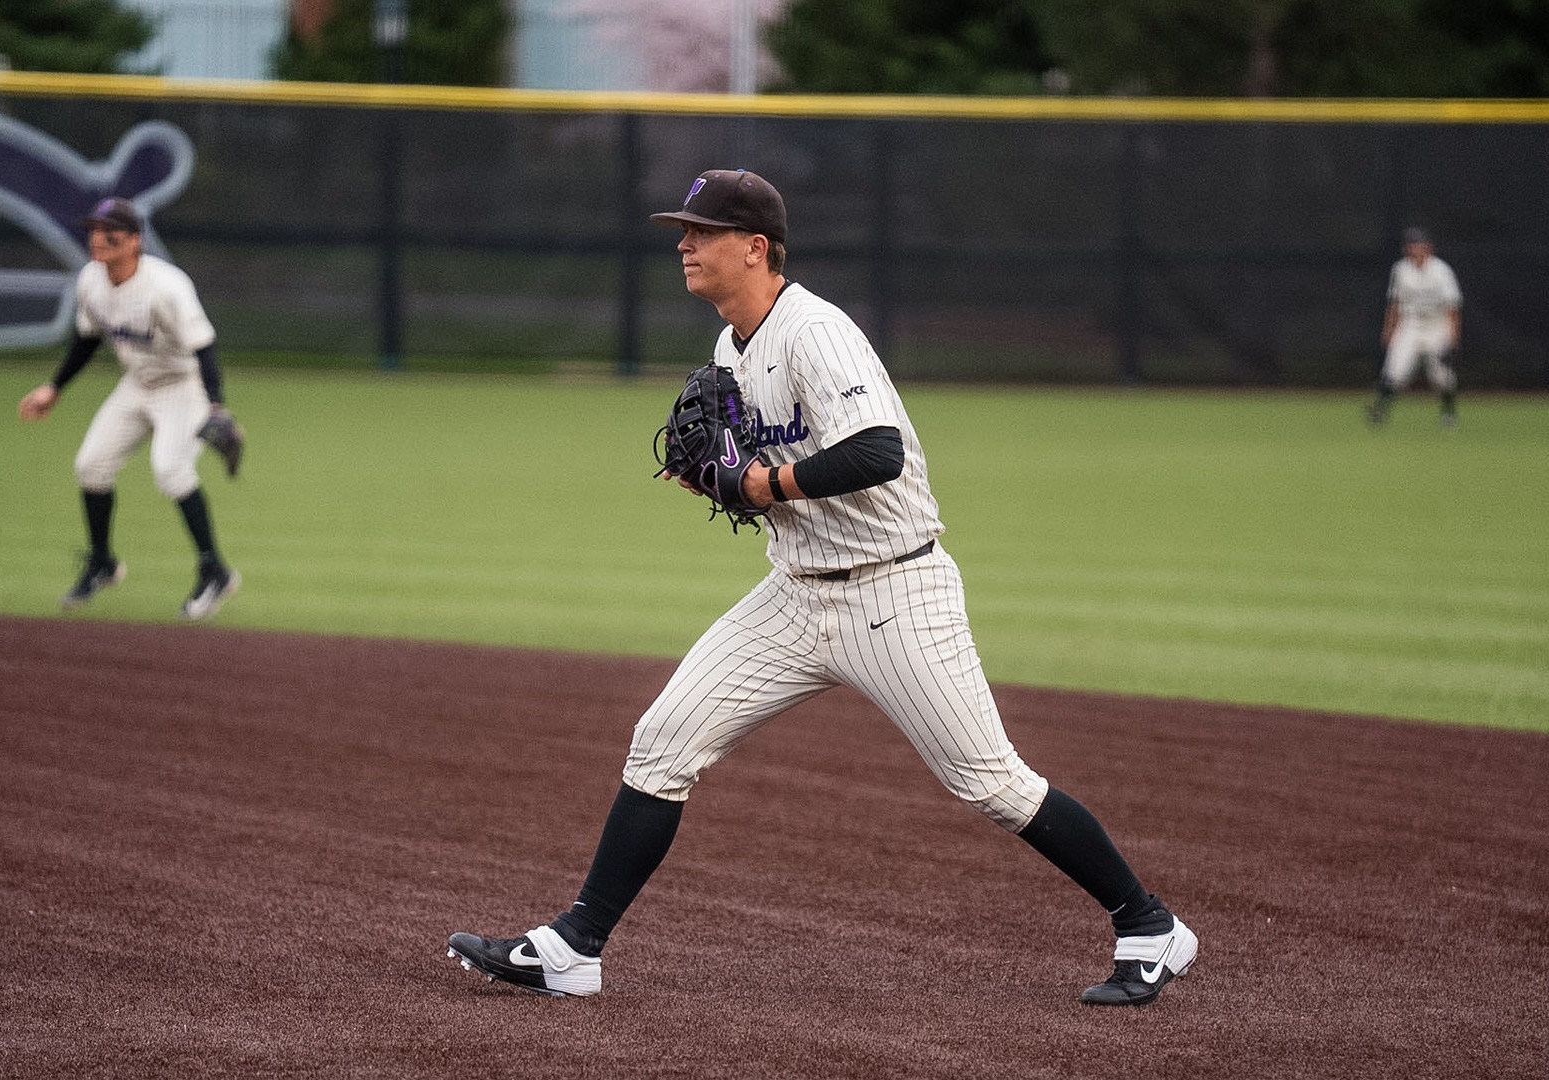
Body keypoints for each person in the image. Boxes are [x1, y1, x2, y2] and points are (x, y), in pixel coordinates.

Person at [446, 168, 1196, 1007]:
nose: (684, 245)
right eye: (682, 231)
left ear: (755, 248)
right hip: (794, 595)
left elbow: (878, 451)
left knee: (991, 783)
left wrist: (762, 485)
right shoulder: (730, 346)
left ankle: (1149, 924)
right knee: (662, 742)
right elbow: (752, 468)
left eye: (702, 232)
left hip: (895, 593)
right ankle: (574, 948)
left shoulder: (816, 331)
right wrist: (716, 481)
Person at [17, 196, 240, 621]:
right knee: (90, 466)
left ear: (134, 241)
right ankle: (102, 562)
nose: (98, 239)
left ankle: (215, 571)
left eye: (110, 232)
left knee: (170, 472)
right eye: (95, 231)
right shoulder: (91, 280)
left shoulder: (167, 287)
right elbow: (88, 337)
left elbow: (204, 346)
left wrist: (214, 405)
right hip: (137, 384)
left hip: (182, 385)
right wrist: (55, 387)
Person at [1367, 226, 1462, 428]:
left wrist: (1453, 336)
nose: (1415, 249)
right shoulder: (1400, 269)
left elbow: (1452, 307)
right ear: (1407, 248)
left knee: (1441, 375)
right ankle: (1380, 411)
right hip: (1410, 324)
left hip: (1437, 325)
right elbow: (1394, 302)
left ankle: (1448, 414)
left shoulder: (1441, 271)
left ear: (1428, 247)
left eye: (1419, 244)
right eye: (1412, 245)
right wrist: (1389, 328)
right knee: (1395, 370)